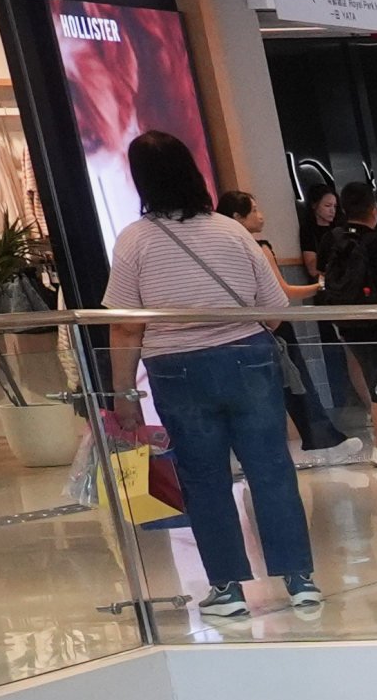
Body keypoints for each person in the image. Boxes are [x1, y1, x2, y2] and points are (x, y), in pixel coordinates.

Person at [101, 134, 320, 620]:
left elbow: (123, 323)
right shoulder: (231, 231)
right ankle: (300, 580)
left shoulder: (134, 241)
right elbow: (276, 310)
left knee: (204, 480)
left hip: (177, 369)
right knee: (272, 470)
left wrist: (122, 393)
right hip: (248, 358)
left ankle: (227, 588)